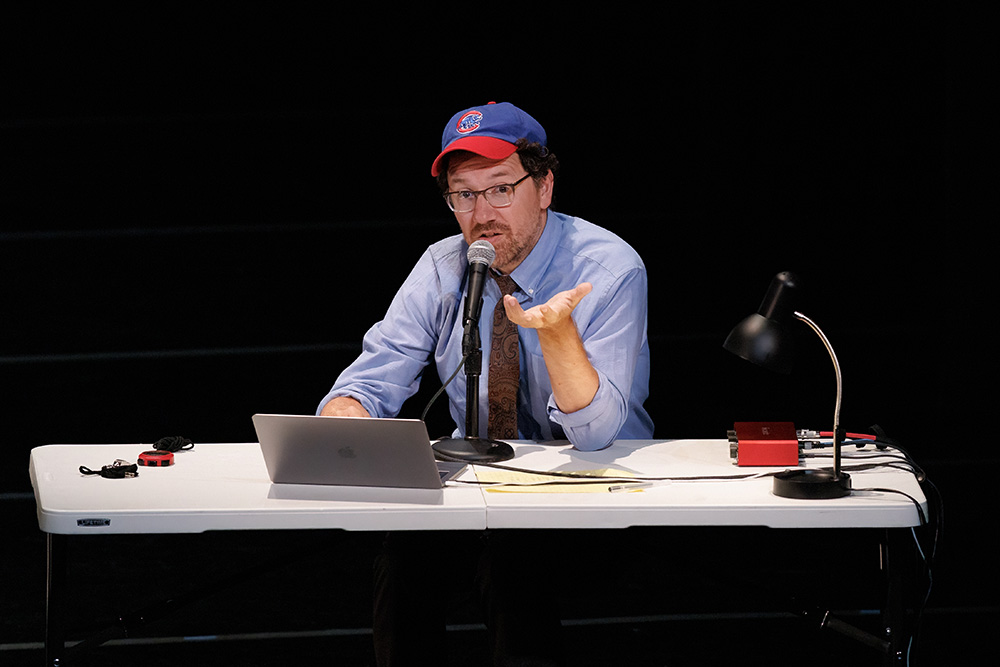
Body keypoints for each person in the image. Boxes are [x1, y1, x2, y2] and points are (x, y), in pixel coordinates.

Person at [317, 101, 653, 666]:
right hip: (477, 487)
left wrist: (559, 335)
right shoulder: (444, 265)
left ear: (543, 187)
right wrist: (346, 419)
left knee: (512, 557)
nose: (481, 214)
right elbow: (375, 375)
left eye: (500, 189)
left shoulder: (609, 268)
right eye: (463, 195)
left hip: (591, 490)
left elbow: (596, 436)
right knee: (404, 555)